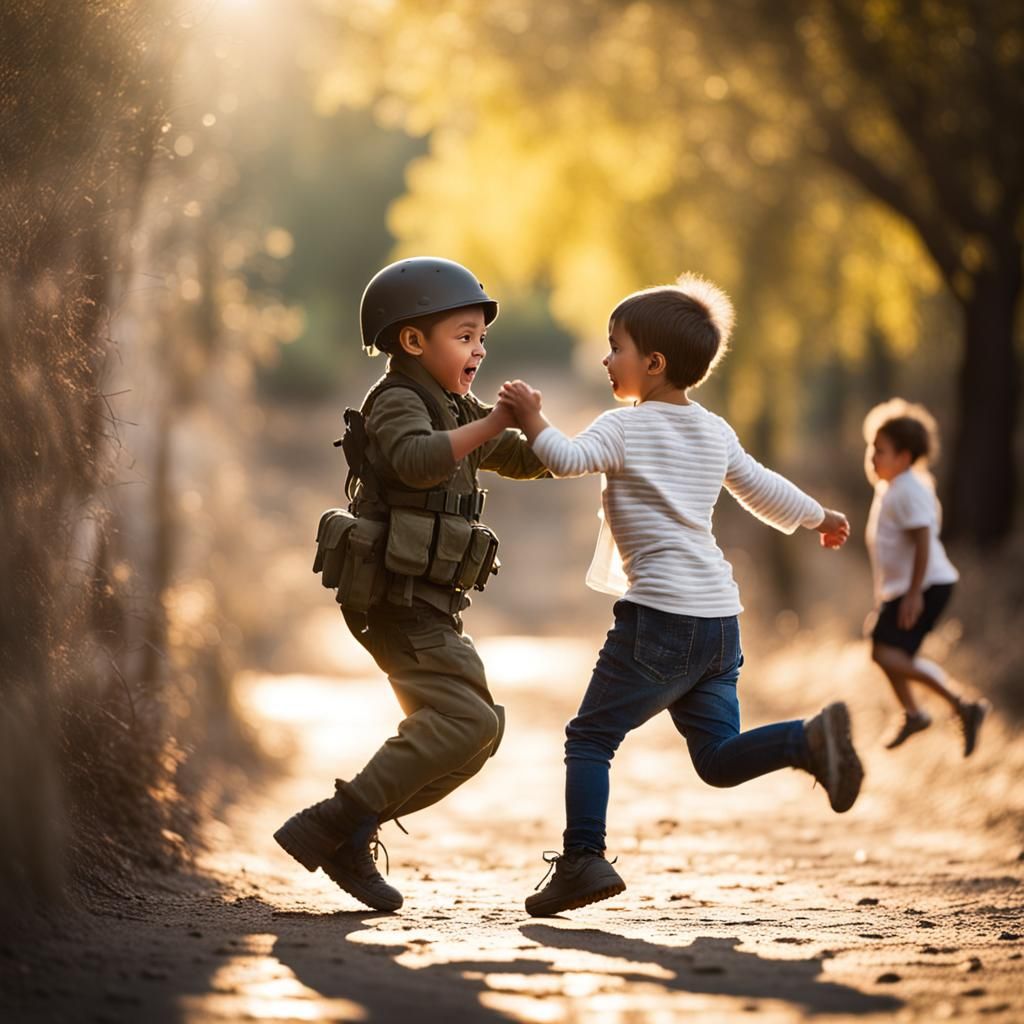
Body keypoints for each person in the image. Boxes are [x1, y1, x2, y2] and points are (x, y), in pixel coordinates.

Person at [497, 274, 861, 918]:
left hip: (659, 620)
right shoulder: (713, 431)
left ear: (654, 364)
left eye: (617, 347)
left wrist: (532, 419)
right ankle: (806, 740)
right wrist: (818, 517)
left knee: (589, 738)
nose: (608, 359)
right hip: (719, 622)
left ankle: (583, 859)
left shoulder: (624, 427)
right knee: (717, 760)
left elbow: (565, 458)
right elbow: (761, 487)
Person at [275, 257, 549, 912]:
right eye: (464, 336)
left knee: (479, 731)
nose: (479, 350)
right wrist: (491, 424)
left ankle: (348, 828)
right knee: (463, 721)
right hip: (392, 600)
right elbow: (417, 461)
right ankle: (339, 823)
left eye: (481, 338)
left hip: (427, 602)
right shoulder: (399, 400)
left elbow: (522, 456)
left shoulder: (454, 403)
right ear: (412, 341)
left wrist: (583, 441)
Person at [862, 398, 989, 754]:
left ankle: (957, 705)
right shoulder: (893, 487)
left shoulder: (908, 489)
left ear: (903, 457)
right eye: (871, 447)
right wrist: (887, 598)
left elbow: (922, 540)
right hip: (908, 588)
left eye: (881, 450)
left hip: (928, 585)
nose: (872, 456)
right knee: (884, 649)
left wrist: (915, 593)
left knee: (886, 652)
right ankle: (923, 711)